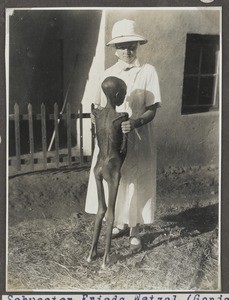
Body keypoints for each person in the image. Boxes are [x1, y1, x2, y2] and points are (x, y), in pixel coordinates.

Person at [85, 19, 161, 253]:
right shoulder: (107, 74)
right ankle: (117, 221)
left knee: (136, 180)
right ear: (114, 49)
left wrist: (136, 122)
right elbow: (97, 106)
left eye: (132, 46)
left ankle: (134, 229)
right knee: (115, 178)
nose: (127, 51)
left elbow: (152, 108)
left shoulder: (147, 71)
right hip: (112, 141)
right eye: (122, 46)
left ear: (137, 47)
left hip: (137, 137)